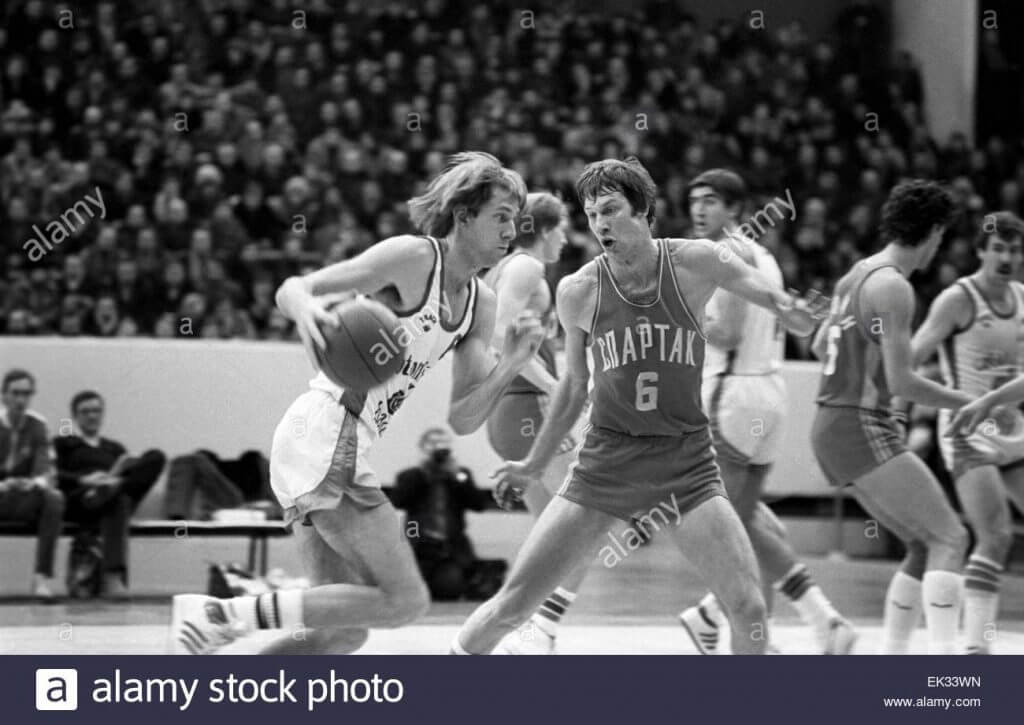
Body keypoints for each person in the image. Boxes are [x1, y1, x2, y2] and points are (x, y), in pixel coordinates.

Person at [169, 151, 544, 654]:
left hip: (328, 444)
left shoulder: (481, 304)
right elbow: (295, 286)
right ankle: (223, 611)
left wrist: (513, 363)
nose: (510, 232)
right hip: (326, 430)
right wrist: (304, 307)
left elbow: (464, 417)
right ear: (464, 215)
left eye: (516, 222)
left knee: (340, 633)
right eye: (500, 217)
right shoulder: (414, 258)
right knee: (406, 599)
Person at [452, 157, 823, 656]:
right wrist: (534, 464)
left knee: (749, 608)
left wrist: (794, 312)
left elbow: (768, 295)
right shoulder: (578, 290)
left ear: (645, 211)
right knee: (514, 606)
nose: (599, 223)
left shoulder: (696, 261)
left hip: (686, 462)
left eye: (610, 209)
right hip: (606, 463)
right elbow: (573, 386)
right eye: (590, 213)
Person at [677, 169, 856, 655]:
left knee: (722, 525)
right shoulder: (767, 257)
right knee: (745, 518)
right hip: (771, 396)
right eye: (694, 201)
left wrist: (681, 314)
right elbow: (793, 317)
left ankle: (727, 618)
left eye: (711, 201)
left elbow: (728, 334)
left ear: (735, 209)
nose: (699, 210)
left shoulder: (725, 254)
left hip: (733, 396)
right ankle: (809, 619)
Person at [810, 179, 970, 654]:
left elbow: (822, 346)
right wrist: (969, 403)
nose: (939, 249)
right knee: (951, 536)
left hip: (832, 426)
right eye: (941, 238)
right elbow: (903, 383)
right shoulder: (894, 288)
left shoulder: (856, 274)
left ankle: (893, 665)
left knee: (923, 544)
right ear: (934, 231)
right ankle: (947, 676)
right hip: (858, 423)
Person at [908, 211, 1024, 653]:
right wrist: (895, 402)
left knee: (998, 536)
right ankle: (976, 652)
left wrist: (995, 401)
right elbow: (914, 355)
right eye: (998, 248)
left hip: (1010, 427)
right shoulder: (958, 300)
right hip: (966, 431)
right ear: (980, 251)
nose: (1007, 256)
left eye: (1014, 249)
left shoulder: (1021, 298)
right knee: (995, 534)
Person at [482, 192, 589, 653]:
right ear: (545, 230)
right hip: (527, 407)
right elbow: (499, 336)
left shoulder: (506, 268)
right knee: (584, 521)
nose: (566, 239)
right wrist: (554, 387)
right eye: (562, 229)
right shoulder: (526, 267)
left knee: (550, 532)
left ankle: (517, 628)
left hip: (512, 409)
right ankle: (538, 628)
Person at [53, 390, 166, 598]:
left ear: (102, 414)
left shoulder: (114, 448)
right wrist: (84, 480)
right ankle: (113, 577)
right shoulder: (65, 444)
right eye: (85, 411)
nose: (92, 416)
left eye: (96, 411)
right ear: (75, 416)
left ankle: (109, 488)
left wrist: (115, 475)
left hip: (113, 495)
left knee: (155, 457)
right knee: (118, 501)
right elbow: (51, 473)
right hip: (81, 502)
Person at [391, 427, 498, 601]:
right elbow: (399, 501)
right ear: (423, 448)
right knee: (410, 593)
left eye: (444, 445)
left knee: (450, 588)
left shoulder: (460, 475)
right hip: (418, 543)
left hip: (450, 548)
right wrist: (423, 471)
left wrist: (457, 475)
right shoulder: (411, 475)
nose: (439, 449)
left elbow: (478, 504)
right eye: (433, 444)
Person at [0, 369, 63, 601]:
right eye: (15, 393)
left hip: (22, 495)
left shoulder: (38, 426)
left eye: (26, 394)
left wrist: (31, 483)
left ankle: (42, 578)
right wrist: (5, 485)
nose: (21, 400)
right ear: (3, 396)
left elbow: (47, 469)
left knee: (54, 498)